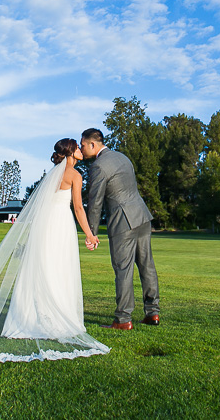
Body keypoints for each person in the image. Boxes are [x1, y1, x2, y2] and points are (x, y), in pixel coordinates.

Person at [0, 138, 108, 362]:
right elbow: (78, 207)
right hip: (60, 225)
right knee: (60, 269)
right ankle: (59, 320)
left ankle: (26, 319)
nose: (80, 150)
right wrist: (90, 234)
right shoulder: (74, 175)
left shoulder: (52, 175)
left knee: (41, 268)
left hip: (45, 226)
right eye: (77, 148)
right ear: (70, 152)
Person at [81, 127, 160, 330]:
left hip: (122, 221)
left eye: (83, 146)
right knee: (146, 265)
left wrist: (91, 232)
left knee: (123, 269)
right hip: (142, 216)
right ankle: (153, 313)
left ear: (92, 144)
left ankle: (123, 319)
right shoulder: (122, 157)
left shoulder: (98, 166)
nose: (81, 150)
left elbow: (95, 202)